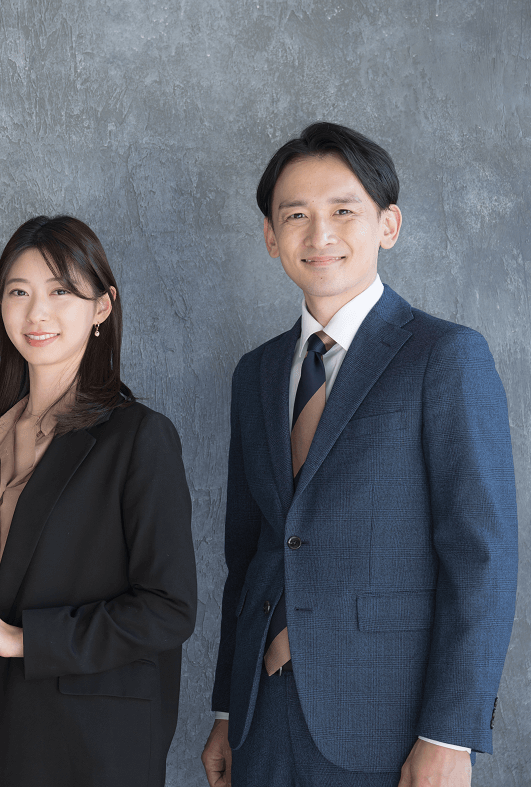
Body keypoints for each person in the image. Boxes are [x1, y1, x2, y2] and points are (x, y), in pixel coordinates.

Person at [201, 122, 518, 787]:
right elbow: (250, 554)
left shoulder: (445, 356)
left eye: (344, 211)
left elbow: (480, 556)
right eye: (296, 216)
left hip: (391, 726)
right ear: (270, 236)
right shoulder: (255, 374)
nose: (320, 235)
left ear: (388, 225)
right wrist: (229, 709)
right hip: (265, 718)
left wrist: (448, 735)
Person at [0, 215, 198, 787]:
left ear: (101, 306)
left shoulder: (139, 438)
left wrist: (24, 639)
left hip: (92, 742)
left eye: (61, 291)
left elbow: (168, 609)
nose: (37, 313)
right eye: (18, 292)